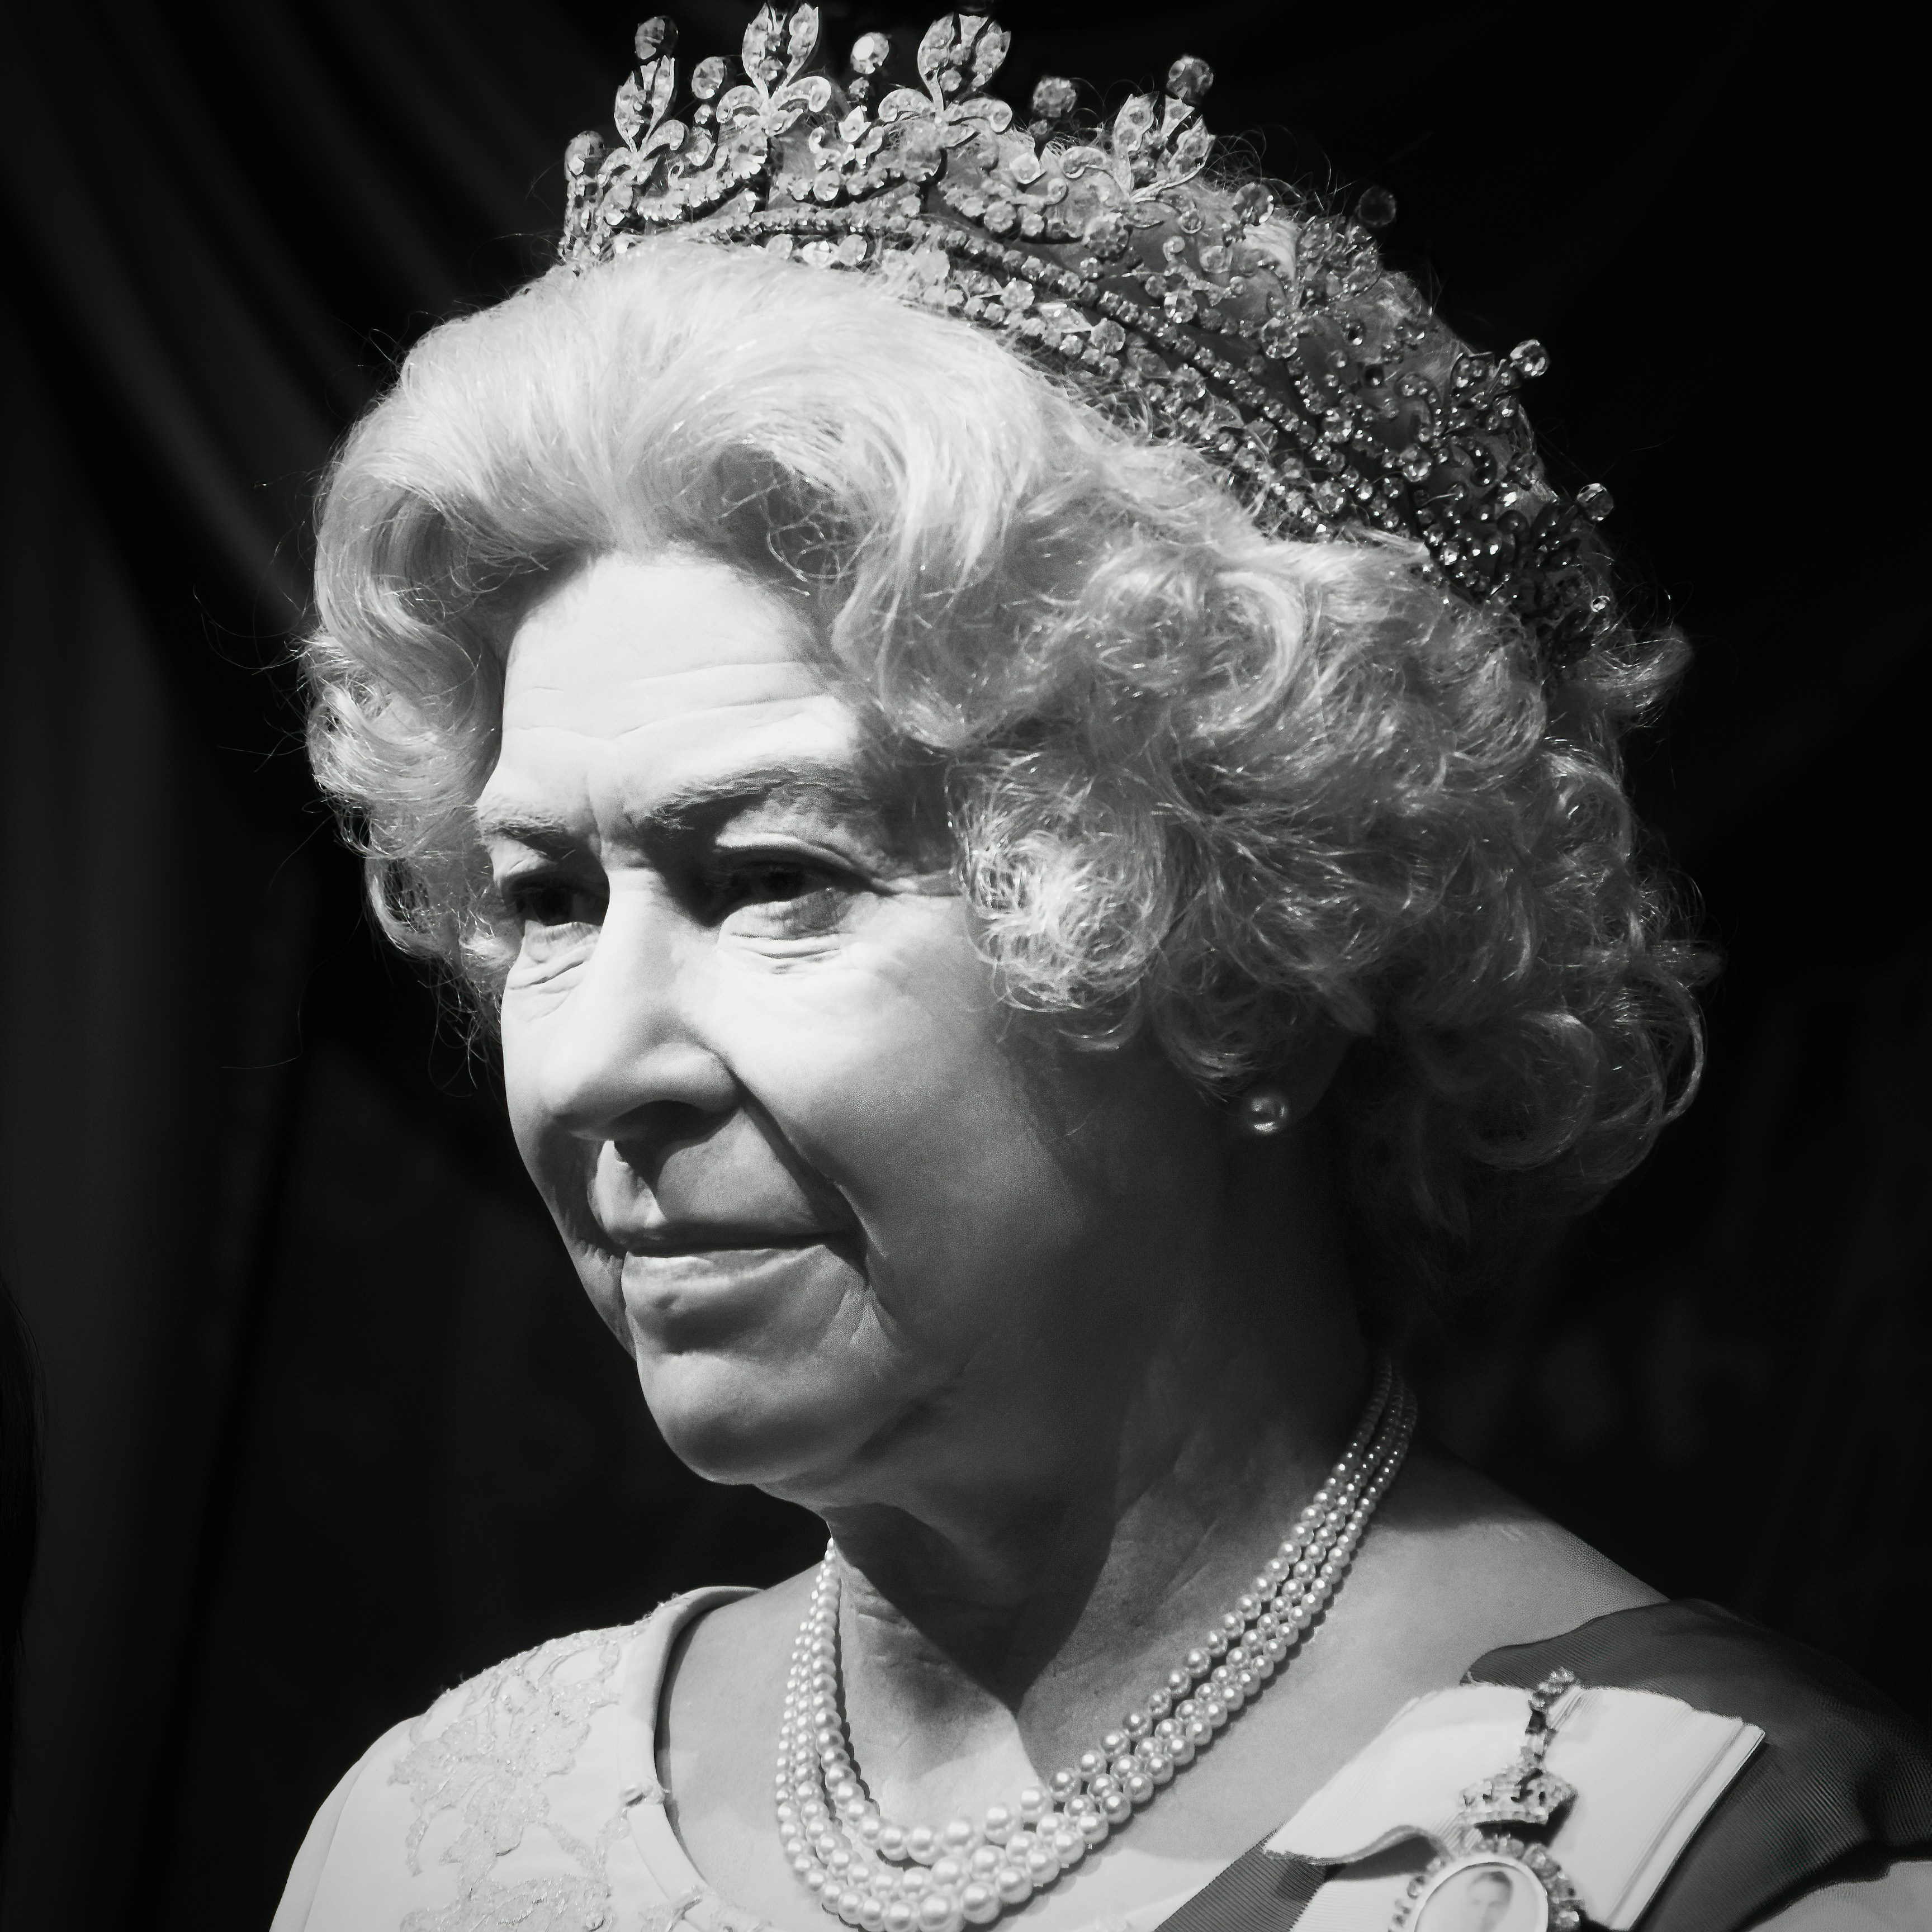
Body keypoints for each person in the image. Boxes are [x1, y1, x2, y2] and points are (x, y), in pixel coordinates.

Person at [271, 10, 1932, 1930]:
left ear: (1253, 946)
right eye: (549, 901)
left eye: (775, 878)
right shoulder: (439, 1839)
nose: (591, 1072)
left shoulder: (1723, 1870)